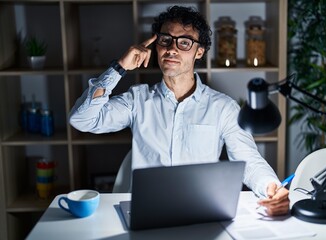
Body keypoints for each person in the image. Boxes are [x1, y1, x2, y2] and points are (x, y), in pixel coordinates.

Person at [69, 5, 289, 216]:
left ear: (199, 51)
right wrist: (119, 68)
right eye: (165, 40)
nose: (172, 49)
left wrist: (271, 187)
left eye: (184, 42)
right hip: (147, 211)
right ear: (155, 46)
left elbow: (249, 160)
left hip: (201, 210)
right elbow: (82, 120)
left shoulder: (223, 107)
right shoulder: (137, 100)